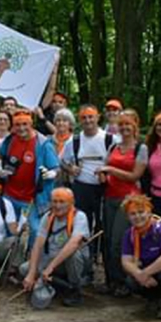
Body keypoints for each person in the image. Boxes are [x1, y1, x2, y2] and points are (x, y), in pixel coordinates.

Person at [60, 105, 114, 283]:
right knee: (81, 228)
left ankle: (107, 275)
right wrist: (71, 168)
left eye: (91, 117)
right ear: (79, 120)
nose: (88, 121)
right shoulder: (73, 141)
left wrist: (106, 172)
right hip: (81, 188)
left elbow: (119, 164)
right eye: (84, 118)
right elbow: (63, 162)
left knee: (102, 229)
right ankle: (85, 269)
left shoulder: (109, 139)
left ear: (98, 117)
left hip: (103, 189)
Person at [0, 111, 59, 260]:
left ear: (31, 124)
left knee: (35, 230)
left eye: (25, 124)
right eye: (17, 125)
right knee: (8, 228)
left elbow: (56, 168)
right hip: (10, 194)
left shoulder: (43, 144)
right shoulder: (10, 140)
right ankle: (8, 261)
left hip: (31, 198)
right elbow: (0, 156)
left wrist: (50, 174)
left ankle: (31, 260)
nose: (21, 128)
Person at [99, 109, 148, 297]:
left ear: (135, 126)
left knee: (119, 241)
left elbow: (135, 175)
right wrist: (103, 175)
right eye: (122, 125)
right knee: (108, 239)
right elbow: (105, 168)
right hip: (110, 196)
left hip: (129, 200)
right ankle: (111, 280)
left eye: (128, 124)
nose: (125, 128)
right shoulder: (113, 147)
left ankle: (123, 282)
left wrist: (110, 169)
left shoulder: (140, 148)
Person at [20, 187, 89, 307]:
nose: (57, 206)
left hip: (71, 262)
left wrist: (50, 268)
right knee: (24, 269)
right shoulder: (47, 217)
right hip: (50, 259)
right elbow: (38, 245)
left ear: (71, 203)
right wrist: (31, 273)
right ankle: (53, 282)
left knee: (73, 255)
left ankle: (74, 289)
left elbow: (73, 244)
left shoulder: (79, 217)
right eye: (54, 201)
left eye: (62, 202)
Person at [49, 108, 74, 184]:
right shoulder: (48, 140)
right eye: (58, 120)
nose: (61, 123)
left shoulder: (75, 141)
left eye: (64, 121)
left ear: (70, 124)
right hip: (50, 181)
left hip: (68, 182)